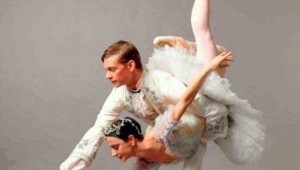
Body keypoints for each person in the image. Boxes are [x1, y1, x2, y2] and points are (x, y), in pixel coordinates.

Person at [60, 0, 264, 169]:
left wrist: (209, 67)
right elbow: (100, 127)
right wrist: (73, 165)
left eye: (111, 69)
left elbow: (189, 98)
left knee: (203, 33)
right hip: (186, 130)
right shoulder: (119, 95)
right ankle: (187, 50)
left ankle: (187, 50)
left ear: (130, 65)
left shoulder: (159, 81)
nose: (107, 76)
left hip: (203, 100)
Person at [104, 50, 233, 169]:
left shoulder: (162, 132)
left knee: (211, 92)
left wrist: (208, 68)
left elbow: (186, 99)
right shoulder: (144, 162)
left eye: (115, 147)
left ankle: (196, 45)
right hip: (191, 148)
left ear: (131, 140)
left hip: (207, 119)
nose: (113, 154)